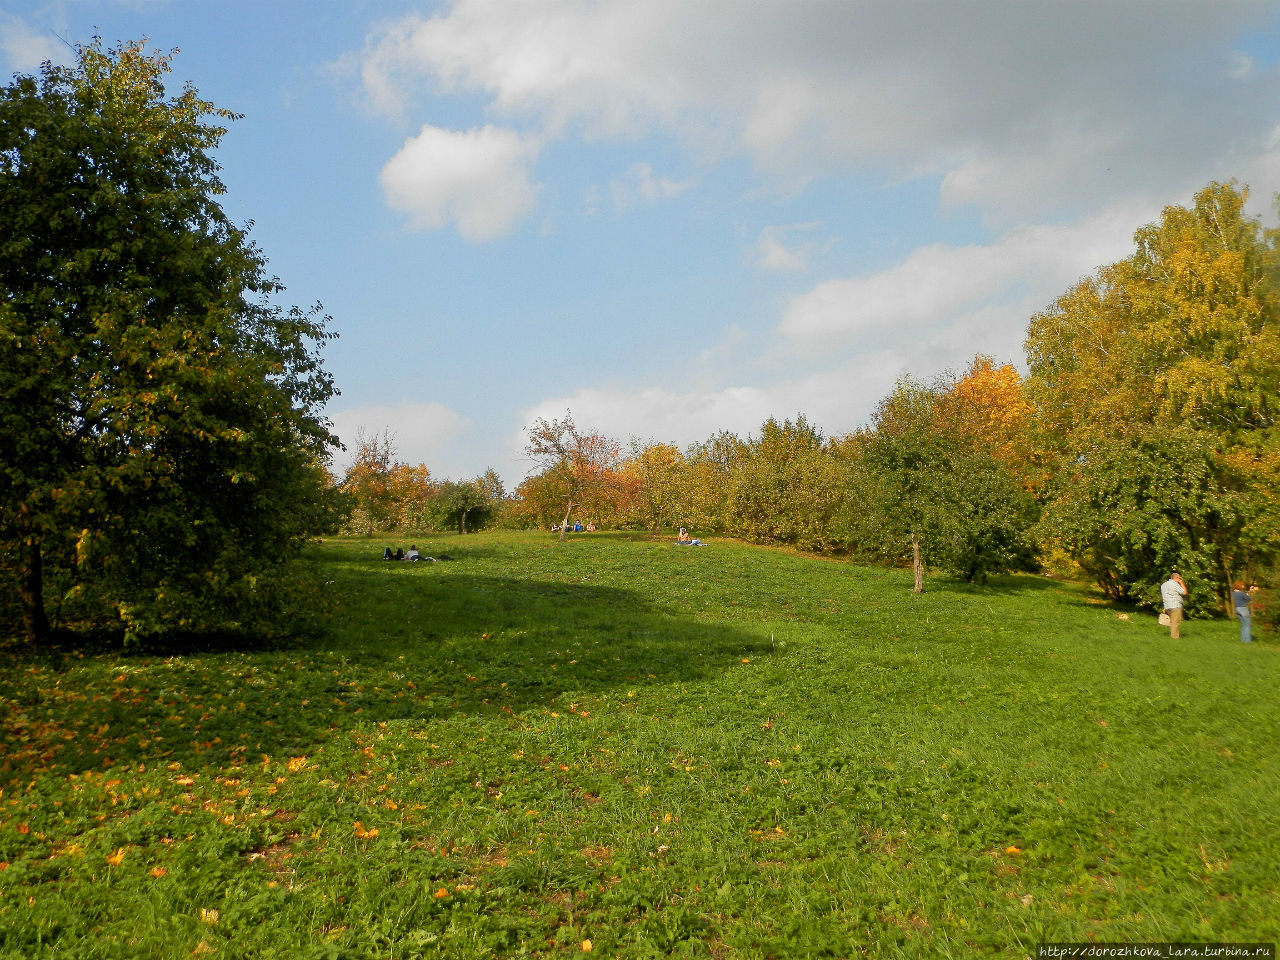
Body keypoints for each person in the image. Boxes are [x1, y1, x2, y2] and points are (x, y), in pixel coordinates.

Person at [1160, 572, 1187, 638]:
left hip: (1167, 605)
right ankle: (1174, 637)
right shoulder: (1175, 584)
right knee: (1176, 622)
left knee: (1172, 621)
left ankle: (1173, 635)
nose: (1180, 579)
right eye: (1179, 578)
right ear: (1177, 578)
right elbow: (1184, 592)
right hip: (1175, 605)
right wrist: (1181, 583)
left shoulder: (1163, 585)